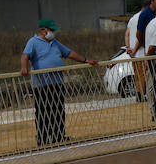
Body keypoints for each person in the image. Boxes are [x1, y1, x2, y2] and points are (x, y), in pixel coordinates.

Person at [20, 18, 98, 146]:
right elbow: (25, 55)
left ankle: (58, 135)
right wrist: (24, 67)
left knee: (58, 109)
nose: (53, 32)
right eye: (51, 30)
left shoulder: (55, 42)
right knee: (43, 111)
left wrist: (85, 60)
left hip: (56, 82)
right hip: (41, 84)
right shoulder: (33, 42)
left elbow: (69, 53)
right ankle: (43, 137)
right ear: (43, 30)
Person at [129, 0, 156, 102]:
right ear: (153, 1)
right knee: (148, 78)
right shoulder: (145, 15)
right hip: (150, 53)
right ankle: (151, 101)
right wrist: (143, 47)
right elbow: (139, 34)